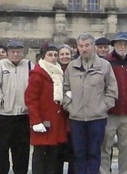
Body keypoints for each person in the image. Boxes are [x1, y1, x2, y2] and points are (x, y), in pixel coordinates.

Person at [63, 33, 118, 174]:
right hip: (77, 119)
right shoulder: (71, 66)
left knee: (94, 153)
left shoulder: (105, 66)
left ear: (93, 46)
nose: (84, 49)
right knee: (79, 154)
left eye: (87, 45)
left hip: (97, 118)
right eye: (81, 46)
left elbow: (112, 91)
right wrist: (70, 107)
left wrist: (102, 107)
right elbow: (64, 90)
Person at [100, 32, 127, 174]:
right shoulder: (106, 62)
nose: (123, 46)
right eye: (120, 43)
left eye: (125, 44)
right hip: (110, 113)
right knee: (105, 148)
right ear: (114, 45)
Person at [0, 40, 33, 174]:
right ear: (8, 53)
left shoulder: (30, 65)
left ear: (23, 52)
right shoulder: (1, 66)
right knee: (2, 149)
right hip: (5, 115)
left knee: (22, 150)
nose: (15, 54)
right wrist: (1, 100)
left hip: (23, 115)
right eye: (12, 52)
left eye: (18, 52)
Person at [25, 44, 68, 174]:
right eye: (50, 55)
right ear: (44, 56)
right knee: (40, 154)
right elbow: (30, 99)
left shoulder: (59, 72)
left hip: (56, 121)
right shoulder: (37, 74)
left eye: (55, 55)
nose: (53, 58)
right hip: (42, 121)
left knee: (54, 155)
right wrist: (36, 121)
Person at [56, 44, 74, 174]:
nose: (64, 56)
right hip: (57, 116)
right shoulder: (54, 70)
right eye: (62, 54)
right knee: (58, 154)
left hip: (73, 115)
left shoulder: (75, 69)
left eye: (67, 54)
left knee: (74, 152)